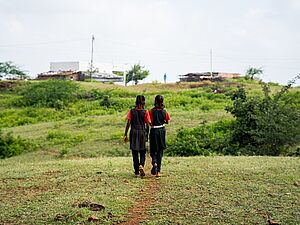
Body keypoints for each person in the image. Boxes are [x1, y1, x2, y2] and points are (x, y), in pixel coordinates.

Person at [124, 95, 150, 176]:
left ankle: (136, 171)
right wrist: (147, 135)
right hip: (142, 131)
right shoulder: (145, 112)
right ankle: (141, 165)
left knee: (134, 152)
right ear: (143, 102)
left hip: (134, 132)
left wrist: (125, 134)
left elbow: (128, 123)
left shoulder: (131, 111)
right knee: (142, 151)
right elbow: (148, 124)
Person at [149, 95, 170, 177]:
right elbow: (167, 121)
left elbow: (149, 122)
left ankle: (154, 162)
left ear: (155, 101)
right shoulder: (164, 111)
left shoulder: (151, 111)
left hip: (154, 130)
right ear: (162, 101)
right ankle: (158, 172)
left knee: (153, 149)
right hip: (161, 130)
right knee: (160, 150)